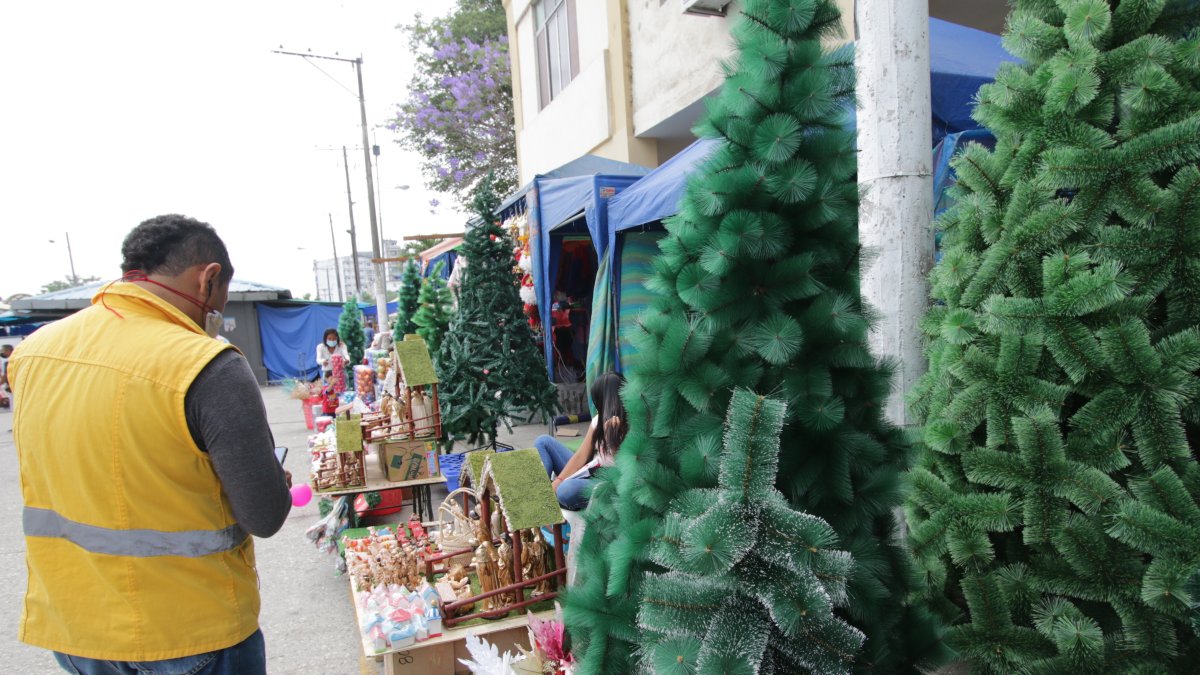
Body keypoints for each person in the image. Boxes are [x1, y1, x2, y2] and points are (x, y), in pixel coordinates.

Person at [8, 215, 292, 674]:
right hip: (191, 632)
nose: (213, 317)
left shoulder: (33, 352)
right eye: (219, 302)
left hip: (77, 630)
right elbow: (264, 514)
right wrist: (272, 479)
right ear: (208, 278)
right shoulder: (205, 364)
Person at [534, 372, 627, 510]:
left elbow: (626, 469)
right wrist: (558, 481)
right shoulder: (599, 419)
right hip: (591, 470)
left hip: (608, 482)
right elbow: (580, 457)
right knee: (543, 442)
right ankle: (539, 495)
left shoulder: (633, 422)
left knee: (566, 490)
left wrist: (612, 439)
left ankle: (551, 498)